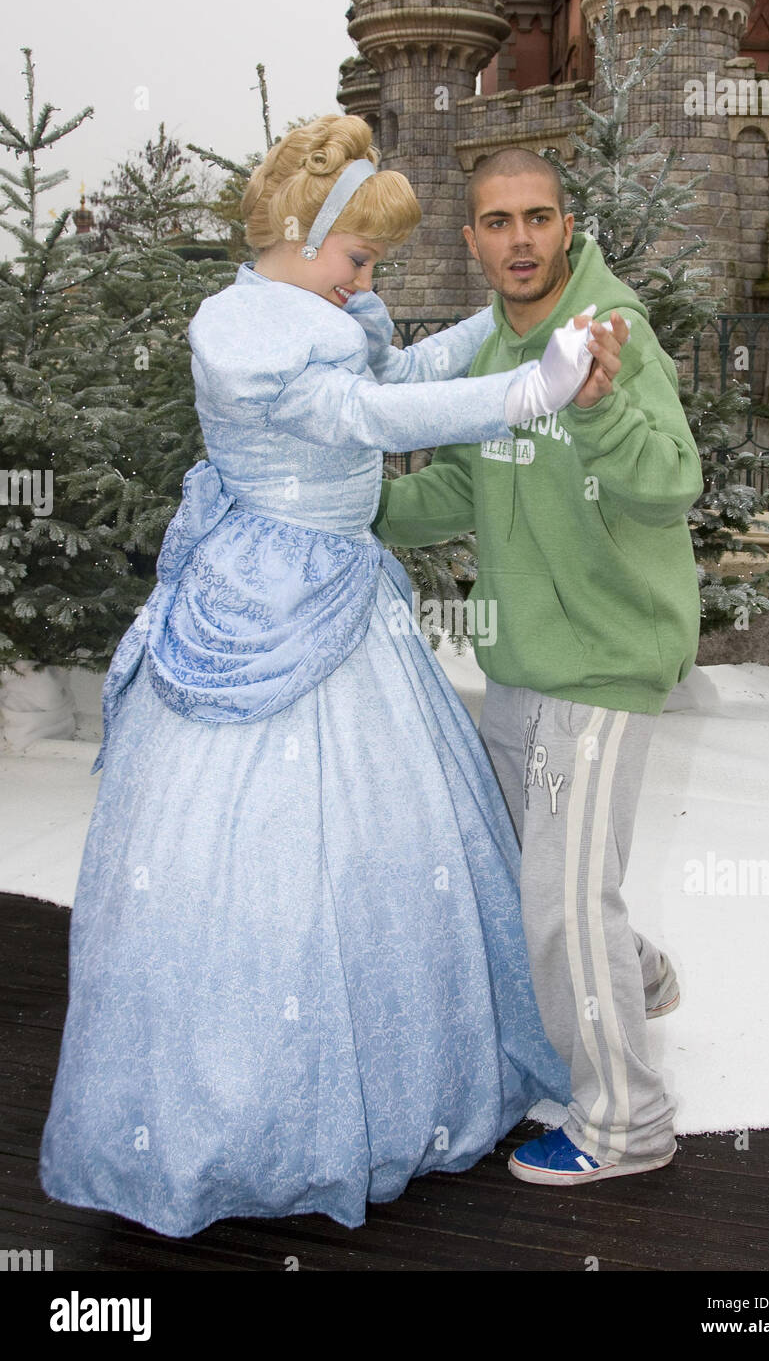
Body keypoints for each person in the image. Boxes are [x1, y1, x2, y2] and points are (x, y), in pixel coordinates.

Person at [37, 117, 606, 1237]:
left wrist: (502, 328)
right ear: (300, 239)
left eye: (374, 265)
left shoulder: (320, 314)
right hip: (267, 597)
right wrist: (521, 394)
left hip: (343, 592)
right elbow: (366, 414)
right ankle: (243, 1123)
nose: (364, 282)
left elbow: (391, 372)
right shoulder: (250, 339)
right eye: (356, 259)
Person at [372, 147, 704, 1187]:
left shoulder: (612, 333)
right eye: (497, 222)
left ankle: (625, 1121)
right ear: (470, 239)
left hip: (601, 666)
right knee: (533, 870)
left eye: (537, 218)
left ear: (566, 226)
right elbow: (462, 486)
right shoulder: (491, 358)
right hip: (519, 657)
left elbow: (669, 483)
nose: (519, 239)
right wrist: (355, 508)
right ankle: (635, 971)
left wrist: (598, 407)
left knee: (561, 896)